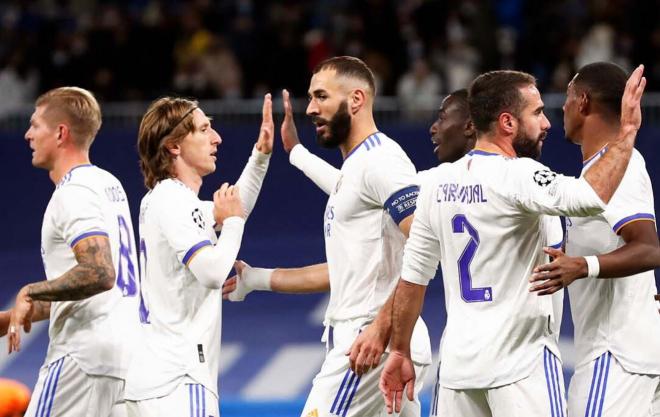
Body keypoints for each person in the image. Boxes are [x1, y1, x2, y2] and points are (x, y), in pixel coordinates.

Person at [379, 66, 647, 416]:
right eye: (536, 113)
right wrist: (626, 132)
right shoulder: (519, 175)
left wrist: (399, 351)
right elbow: (590, 195)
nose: (547, 123)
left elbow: (413, 279)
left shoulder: (435, 184)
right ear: (508, 123)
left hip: (459, 371)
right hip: (522, 365)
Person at [224, 56, 432, 417]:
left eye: (321, 96)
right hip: (377, 341)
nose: (311, 108)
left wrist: (382, 326)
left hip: (369, 343)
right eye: (310, 97)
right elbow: (343, 266)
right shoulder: (356, 168)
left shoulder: (381, 161)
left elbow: (427, 243)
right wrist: (295, 153)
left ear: (356, 100)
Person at [123, 94, 273, 417]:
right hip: (180, 379)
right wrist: (232, 223)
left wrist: (260, 156)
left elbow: (233, 207)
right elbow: (213, 272)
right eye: (204, 130)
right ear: (174, 146)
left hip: (155, 380)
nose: (216, 138)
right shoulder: (176, 202)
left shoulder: (162, 199)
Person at [529, 62, 660, 416]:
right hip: (625, 353)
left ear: (584, 101)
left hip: (614, 355)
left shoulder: (623, 165)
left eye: (568, 99)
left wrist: (581, 266)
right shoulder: (599, 172)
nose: (563, 110)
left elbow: (648, 248)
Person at [0, 87, 139, 416]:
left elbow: (101, 272)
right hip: (124, 360)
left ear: (60, 132)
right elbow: (88, 287)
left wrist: (30, 291)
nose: (27, 134)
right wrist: (9, 319)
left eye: (35, 125)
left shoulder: (73, 192)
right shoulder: (108, 184)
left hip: (82, 357)